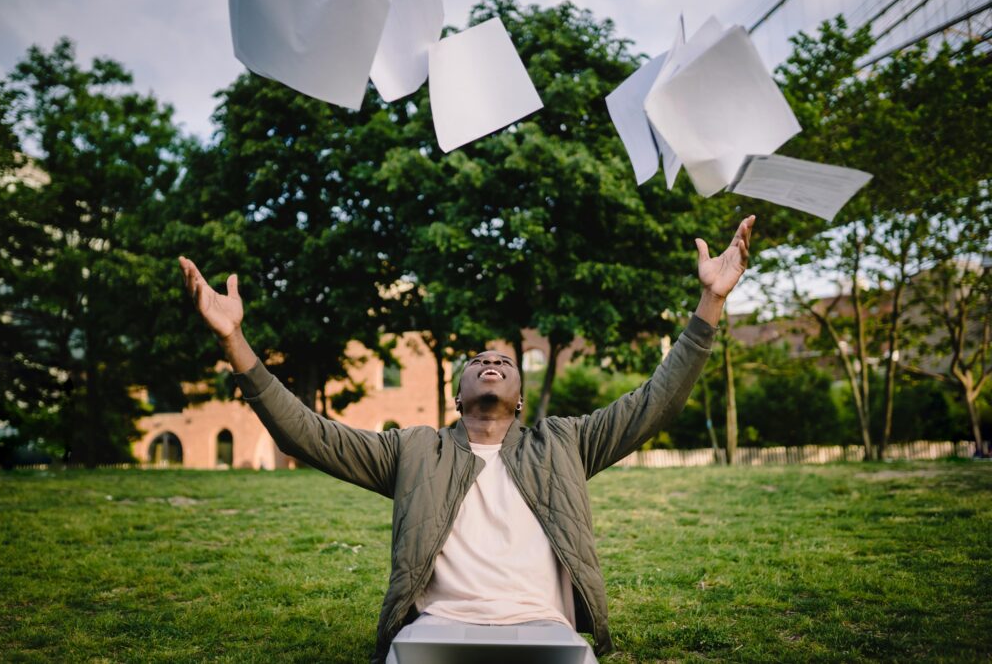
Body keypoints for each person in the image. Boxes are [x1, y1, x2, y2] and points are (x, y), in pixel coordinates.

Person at [178, 215, 755, 663]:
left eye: (502, 360)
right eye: (477, 360)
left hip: (545, 633)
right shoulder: (412, 451)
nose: (489, 361)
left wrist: (711, 302)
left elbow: (656, 402)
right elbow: (307, 434)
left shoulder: (565, 442)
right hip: (434, 633)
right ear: (457, 396)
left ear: (521, 397)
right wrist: (235, 341)